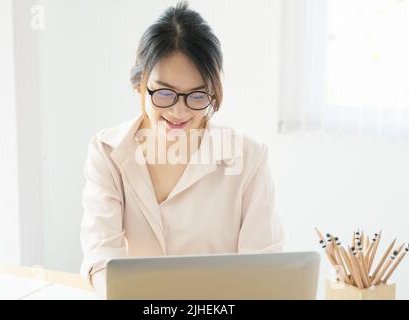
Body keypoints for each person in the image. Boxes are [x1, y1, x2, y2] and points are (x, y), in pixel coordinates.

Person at [80, 1, 284, 298]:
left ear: (212, 93)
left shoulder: (248, 157)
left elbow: (264, 269)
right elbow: (101, 255)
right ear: (140, 85)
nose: (178, 111)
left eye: (197, 95)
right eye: (164, 93)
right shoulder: (108, 151)